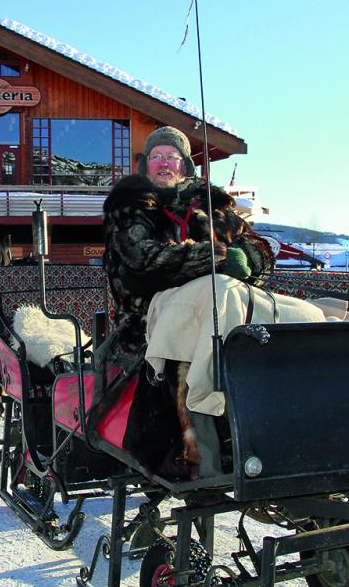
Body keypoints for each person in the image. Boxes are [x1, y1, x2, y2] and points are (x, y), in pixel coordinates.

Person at [102, 125, 277, 480]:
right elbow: (143, 263)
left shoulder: (214, 207)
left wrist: (246, 259)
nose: (164, 163)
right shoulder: (131, 207)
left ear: (184, 165)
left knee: (274, 341)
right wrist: (215, 258)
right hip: (147, 321)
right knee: (187, 357)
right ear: (145, 165)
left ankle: (276, 443)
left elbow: (259, 250)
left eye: (172, 156)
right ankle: (199, 461)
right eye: (157, 157)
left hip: (223, 315)